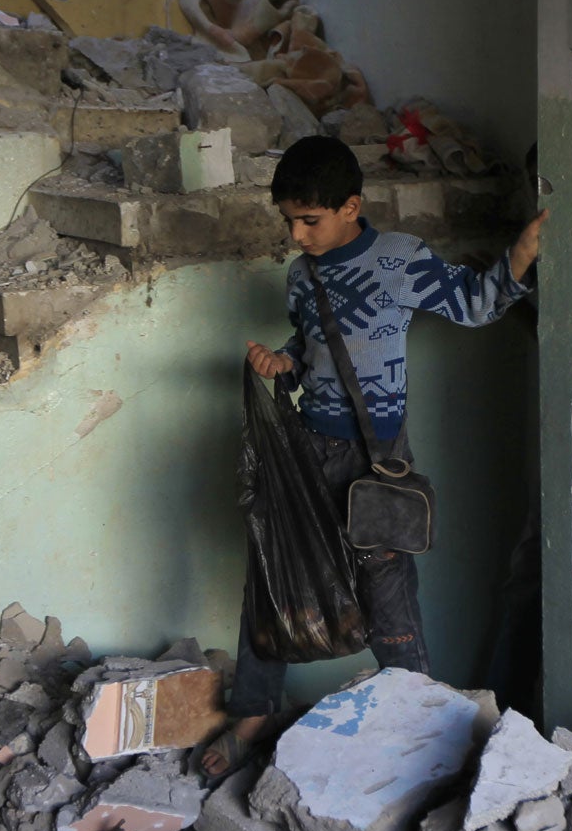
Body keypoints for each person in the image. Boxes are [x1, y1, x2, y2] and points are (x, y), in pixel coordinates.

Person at [200, 135, 547, 780]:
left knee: (387, 592)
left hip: (376, 459)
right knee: (276, 577)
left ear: (352, 206)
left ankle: (414, 718)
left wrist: (521, 255)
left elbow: (475, 304)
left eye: (311, 220)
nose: (299, 235)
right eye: (291, 222)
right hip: (307, 449)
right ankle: (253, 711)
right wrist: (283, 361)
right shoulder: (301, 276)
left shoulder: (400, 258)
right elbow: (310, 345)